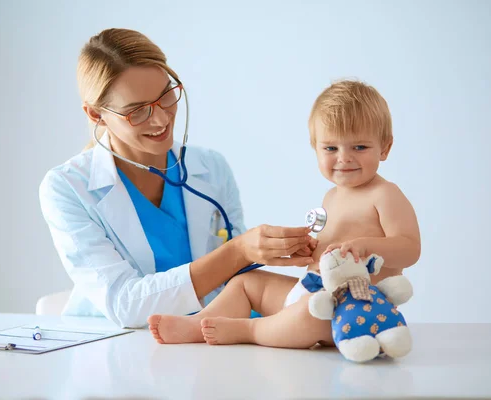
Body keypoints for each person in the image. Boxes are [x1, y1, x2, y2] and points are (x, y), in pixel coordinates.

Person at [38, 28, 316, 328]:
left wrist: (281, 256)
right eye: (137, 112)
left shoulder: (210, 167)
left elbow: (236, 281)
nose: (160, 119)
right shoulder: (67, 188)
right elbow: (124, 304)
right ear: (96, 115)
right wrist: (238, 252)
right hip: (115, 348)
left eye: (165, 96)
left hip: (205, 340)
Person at [148, 79, 421, 348]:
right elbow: (326, 258)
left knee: (308, 314)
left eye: (359, 147)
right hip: (311, 290)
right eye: (331, 148)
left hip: (350, 310)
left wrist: (365, 247)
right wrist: (308, 250)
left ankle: (249, 330)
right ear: (315, 148)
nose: (344, 158)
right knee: (246, 282)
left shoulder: (385, 195)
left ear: (384, 147)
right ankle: (201, 322)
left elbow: (410, 248)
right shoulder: (332, 196)